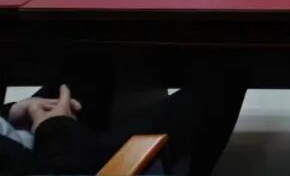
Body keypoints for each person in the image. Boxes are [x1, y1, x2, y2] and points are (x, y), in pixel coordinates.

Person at [0, 79, 245, 175]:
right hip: (59, 161)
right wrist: (55, 128)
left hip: (25, 139)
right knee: (222, 81)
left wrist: (9, 112)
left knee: (91, 58)